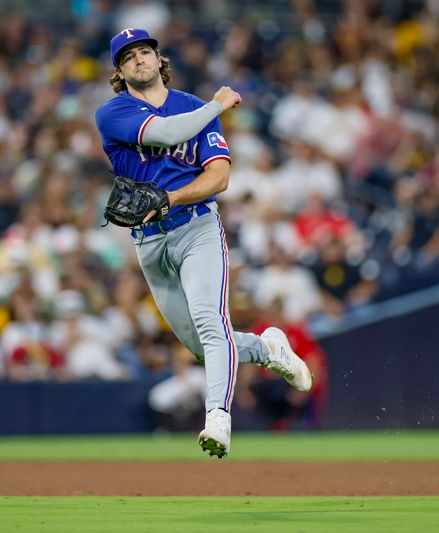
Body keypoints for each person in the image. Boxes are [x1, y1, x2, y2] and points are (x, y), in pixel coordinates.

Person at [95, 28, 313, 458]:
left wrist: (171, 197)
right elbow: (165, 134)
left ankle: (217, 418)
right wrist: (218, 104)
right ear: (119, 71)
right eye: (128, 57)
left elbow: (219, 176)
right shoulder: (113, 112)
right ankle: (268, 348)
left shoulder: (193, 106)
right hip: (149, 241)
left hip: (197, 227)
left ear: (160, 60)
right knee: (202, 348)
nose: (139, 59)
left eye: (145, 51)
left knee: (213, 328)